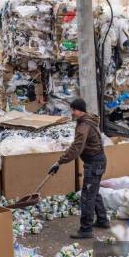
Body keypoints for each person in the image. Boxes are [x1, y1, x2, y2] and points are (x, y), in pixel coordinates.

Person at [49, 98, 109, 239]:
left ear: (78, 110)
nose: (72, 112)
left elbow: (76, 148)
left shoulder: (84, 126)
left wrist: (59, 162)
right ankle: (102, 220)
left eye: (73, 110)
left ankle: (86, 230)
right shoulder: (86, 121)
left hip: (94, 163)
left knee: (87, 196)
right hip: (97, 162)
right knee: (93, 192)